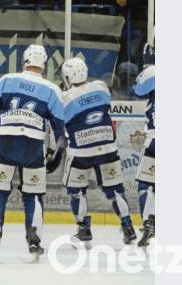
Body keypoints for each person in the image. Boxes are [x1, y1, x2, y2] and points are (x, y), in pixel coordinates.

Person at [0, 44, 66, 262]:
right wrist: (56, 155)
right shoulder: (52, 89)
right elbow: (59, 130)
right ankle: (34, 238)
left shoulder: (5, 80)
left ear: (24, 61)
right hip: (33, 145)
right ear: (44, 65)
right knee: (33, 194)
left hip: (5, 141)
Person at [59, 57, 137, 247]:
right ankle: (128, 227)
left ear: (67, 77)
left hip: (81, 151)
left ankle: (83, 229)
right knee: (115, 189)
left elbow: (62, 121)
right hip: (107, 148)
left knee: (76, 191)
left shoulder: (65, 98)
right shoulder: (101, 87)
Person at [132, 43, 155, 247]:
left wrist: (149, 64)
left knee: (145, 184)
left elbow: (138, 90)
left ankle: (149, 223)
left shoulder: (154, 71)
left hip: (156, 138)